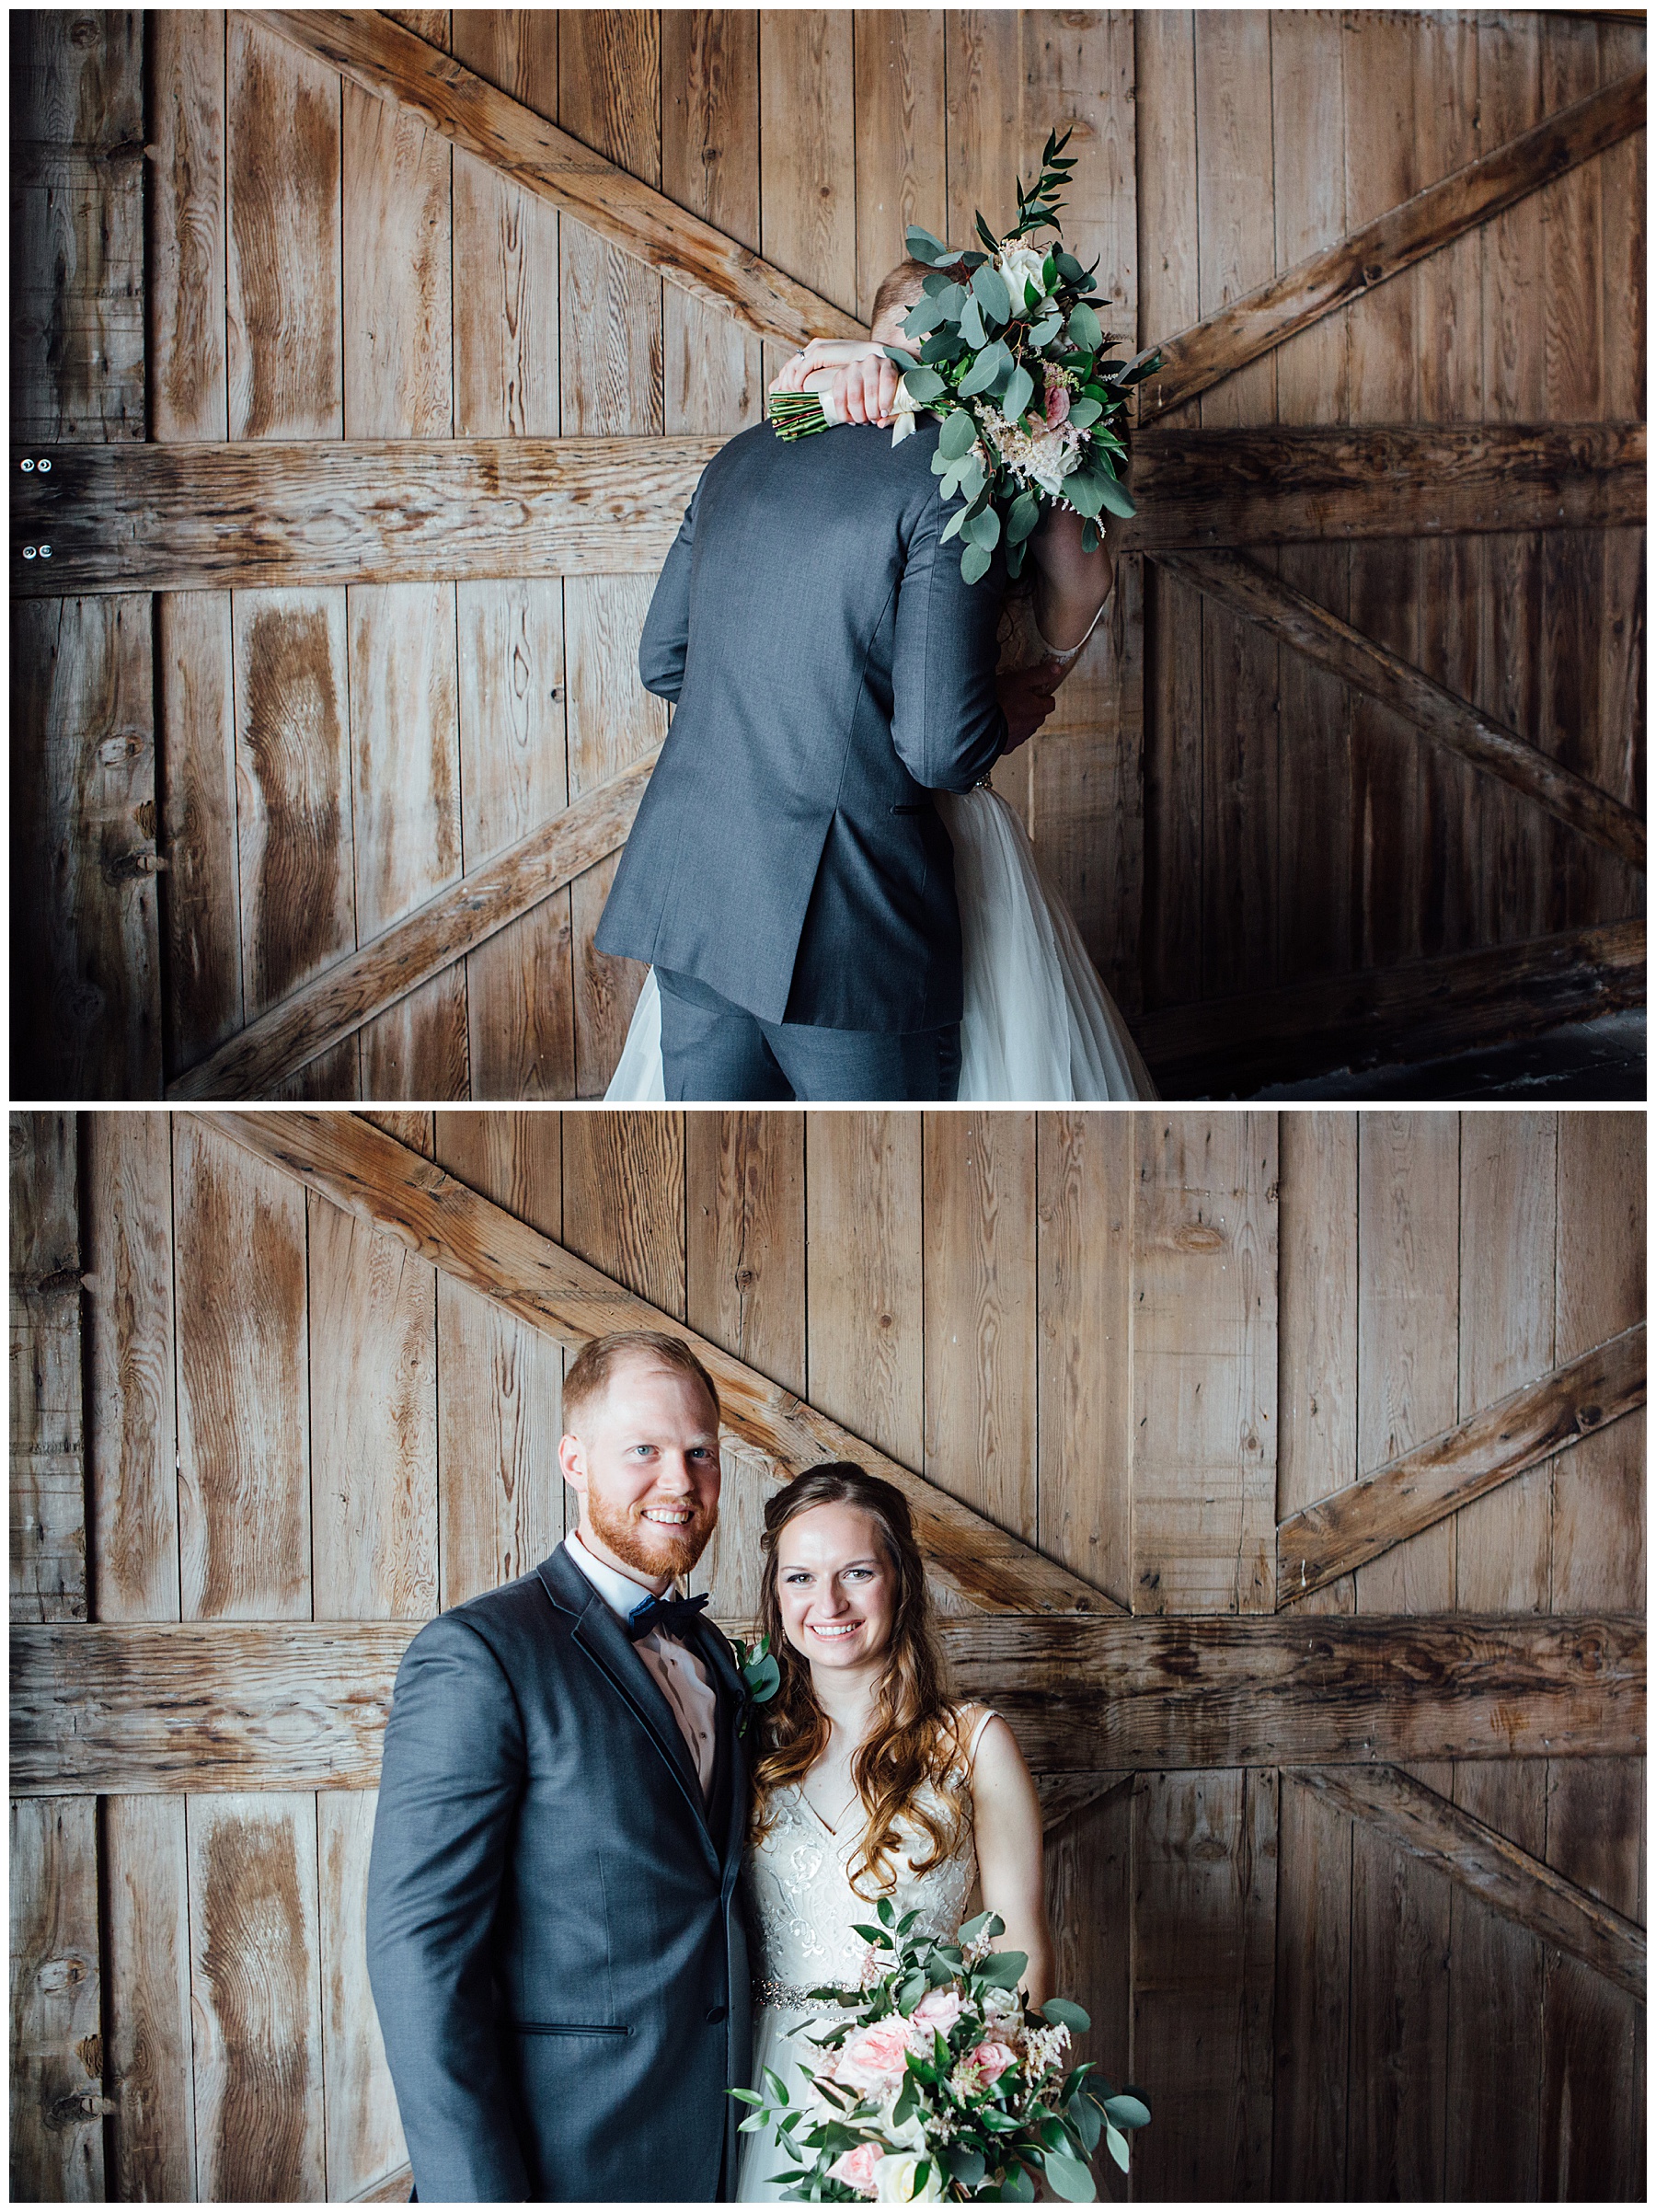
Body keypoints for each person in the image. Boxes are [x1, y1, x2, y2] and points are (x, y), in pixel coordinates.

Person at [604, 259, 1154, 1103]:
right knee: (886, 1193)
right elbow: (940, 749)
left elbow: (664, 661)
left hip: (698, 896)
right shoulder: (951, 478)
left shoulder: (742, 455)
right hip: (851, 927)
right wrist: (1011, 707)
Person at [365, 1331, 752, 2202]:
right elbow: (419, 1957)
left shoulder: (715, 1658)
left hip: (726, 2156)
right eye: (643, 1451)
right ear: (574, 1460)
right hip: (565, 2165)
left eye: (701, 1453)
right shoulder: (478, 1655)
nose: (680, 1482)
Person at [736, 1464, 1052, 2203]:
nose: (829, 1603)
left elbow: (1021, 1945)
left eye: (855, 1572)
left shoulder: (973, 1744)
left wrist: (980, 2103)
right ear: (776, 1595)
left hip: (918, 2091)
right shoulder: (745, 1744)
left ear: (899, 1581)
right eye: (800, 1579)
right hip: (765, 2080)